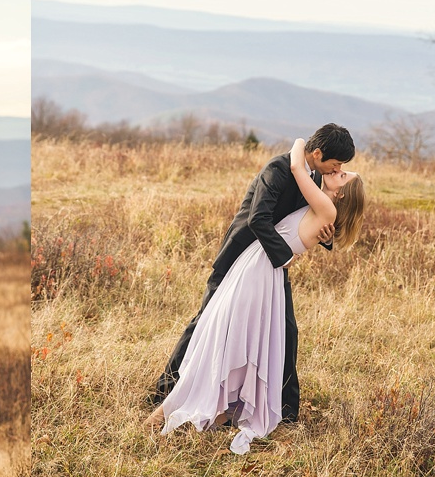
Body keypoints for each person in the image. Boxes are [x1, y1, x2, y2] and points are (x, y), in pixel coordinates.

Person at [144, 137, 366, 453]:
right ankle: (169, 390)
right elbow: (259, 218)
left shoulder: (315, 181)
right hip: (245, 255)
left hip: (268, 266)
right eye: (339, 166)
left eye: (342, 172)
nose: (339, 169)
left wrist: (320, 237)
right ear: (318, 155)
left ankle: (271, 408)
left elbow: (315, 216)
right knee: (209, 322)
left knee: (277, 332)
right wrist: (288, 254)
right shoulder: (280, 169)